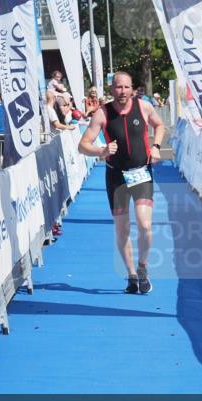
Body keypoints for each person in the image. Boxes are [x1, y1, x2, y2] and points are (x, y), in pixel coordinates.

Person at [78, 71, 165, 295]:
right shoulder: (102, 113)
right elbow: (82, 145)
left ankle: (143, 267)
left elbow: (159, 125)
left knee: (145, 225)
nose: (122, 91)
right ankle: (131, 275)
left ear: (132, 88)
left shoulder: (144, 107)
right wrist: (101, 150)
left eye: (126, 87)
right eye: (118, 87)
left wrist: (156, 147)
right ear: (111, 89)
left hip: (141, 173)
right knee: (122, 229)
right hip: (116, 176)